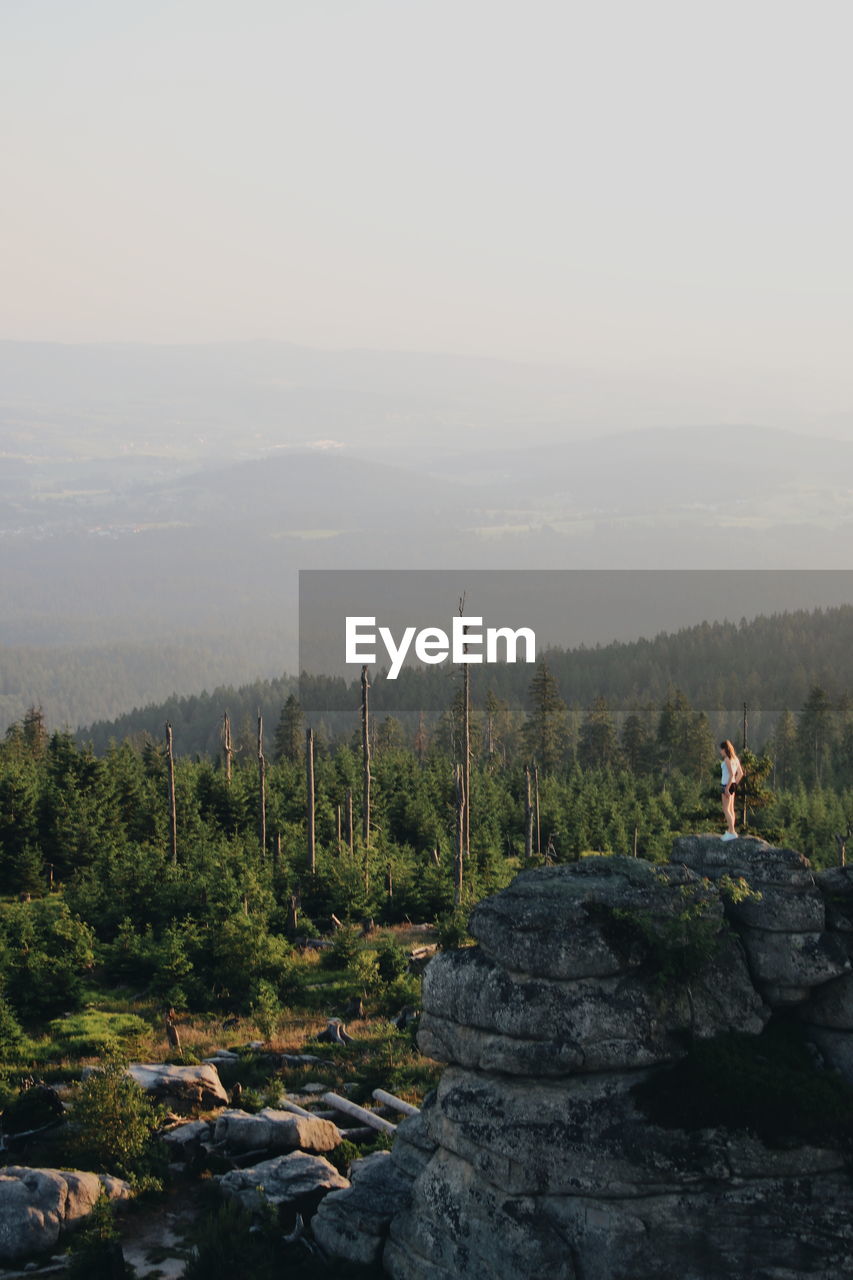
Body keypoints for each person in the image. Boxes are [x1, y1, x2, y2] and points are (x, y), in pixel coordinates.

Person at [719, 740, 744, 841]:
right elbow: (740, 773)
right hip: (732, 785)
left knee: (726, 809)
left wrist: (727, 788)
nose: (720, 751)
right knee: (731, 809)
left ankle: (732, 831)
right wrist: (734, 784)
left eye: (721, 749)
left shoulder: (727, 759)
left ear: (725, 749)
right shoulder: (735, 759)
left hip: (726, 784)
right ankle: (730, 830)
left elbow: (732, 774)